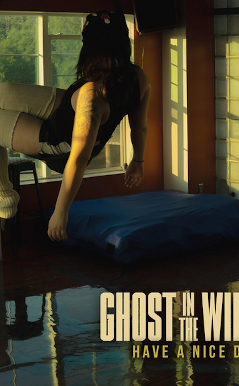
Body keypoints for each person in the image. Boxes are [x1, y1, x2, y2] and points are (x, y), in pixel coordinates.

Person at [0, 10, 151, 242]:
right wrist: (138, 161)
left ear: (92, 49)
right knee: (4, 91)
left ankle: (4, 195)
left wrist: (61, 211)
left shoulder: (92, 96)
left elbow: (79, 158)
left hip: (61, 144)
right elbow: (139, 128)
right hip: (67, 114)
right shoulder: (138, 76)